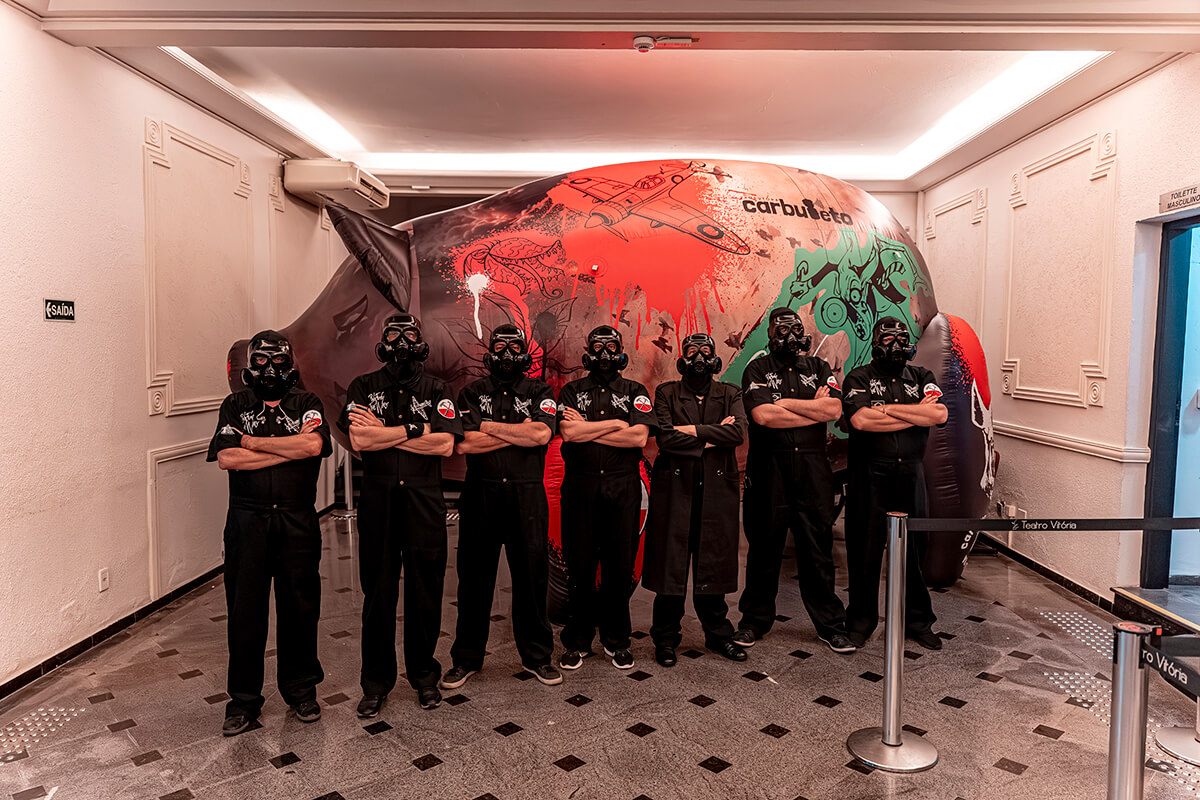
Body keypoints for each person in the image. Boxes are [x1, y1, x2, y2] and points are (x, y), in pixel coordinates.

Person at [207, 331, 331, 736]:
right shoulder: (234, 404)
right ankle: (243, 702)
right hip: (247, 522)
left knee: (300, 608)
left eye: (277, 360)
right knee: (246, 612)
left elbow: (312, 448)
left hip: (298, 521)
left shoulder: (308, 403)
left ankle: (301, 692)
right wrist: (285, 448)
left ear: (290, 364)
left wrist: (251, 443)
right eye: (260, 360)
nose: (269, 368)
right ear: (249, 366)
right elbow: (228, 458)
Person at [339, 314, 463, 717]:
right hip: (378, 502)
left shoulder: (438, 389)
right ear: (382, 342)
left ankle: (425, 676)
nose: (402, 341)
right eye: (393, 334)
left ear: (421, 342)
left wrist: (388, 432)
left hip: (424, 502)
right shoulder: (362, 387)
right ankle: (375, 682)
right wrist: (417, 430)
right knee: (378, 592)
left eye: (410, 334)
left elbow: (444, 445)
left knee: (425, 590)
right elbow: (360, 440)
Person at [441, 324, 563, 688]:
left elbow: (541, 434)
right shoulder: (471, 392)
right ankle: (466, 659)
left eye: (514, 347)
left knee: (532, 577)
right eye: (500, 346)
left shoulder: (541, 391)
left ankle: (538, 657)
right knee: (474, 580)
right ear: (489, 352)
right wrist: (517, 432)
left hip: (528, 496)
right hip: (481, 494)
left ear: (524, 354)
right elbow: (464, 444)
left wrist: (487, 427)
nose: (506, 353)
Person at [734, 308, 856, 654]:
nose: (790, 336)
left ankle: (831, 626)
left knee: (818, 551)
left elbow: (833, 410)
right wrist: (808, 408)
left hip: (813, 474)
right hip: (768, 472)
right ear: (771, 335)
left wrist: (783, 403)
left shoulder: (820, 368)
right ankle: (753, 621)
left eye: (795, 329)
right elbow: (763, 416)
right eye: (782, 330)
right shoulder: (756, 369)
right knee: (763, 550)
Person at [841, 316, 948, 651]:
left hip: (911, 476)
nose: (897, 345)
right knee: (865, 551)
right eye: (889, 339)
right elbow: (861, 420)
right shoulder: (858, 377)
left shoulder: (922, 376)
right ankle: (859, 622)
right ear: (876, 343)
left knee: (914, 551)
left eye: (902, 339)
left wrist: (885, 410)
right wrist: (913, 413)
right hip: (868, 476)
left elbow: (938, 415)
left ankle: (918, 622)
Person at [644, 333, 748, 667]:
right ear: (682, 359)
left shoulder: (730, 393)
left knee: (712, 562)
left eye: (705, 351)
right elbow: (665, 438)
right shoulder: (667, 392)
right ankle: (665, 639)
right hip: (675, 488)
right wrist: (713, 434)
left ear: (715, 359)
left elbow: (737, 433)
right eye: (692, 351)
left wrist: (690, 430)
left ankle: (719, 635)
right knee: (671, 565)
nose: (699, 357)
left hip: (716, 489)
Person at [556, 325, 654, 671]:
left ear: (621, 351)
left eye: (611, 347)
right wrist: (617, 424)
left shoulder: (635, 391)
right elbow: (569, 433)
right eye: (597, 347)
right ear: (587, 352)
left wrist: (589, 429)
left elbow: (638, 438)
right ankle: (577, 640)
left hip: (622, 487)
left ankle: (617, 640)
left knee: (618, 566)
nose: (604, 354)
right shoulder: (571, 391)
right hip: (579, 487)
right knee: (579, 566)